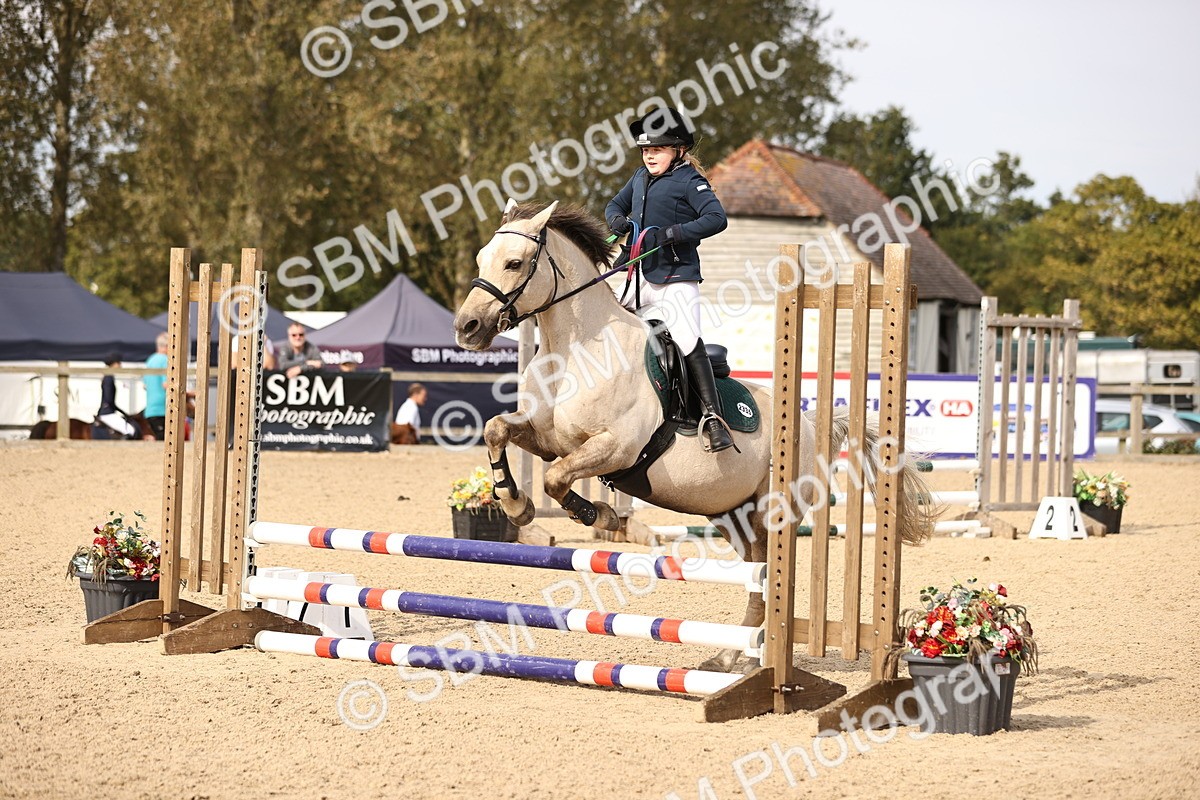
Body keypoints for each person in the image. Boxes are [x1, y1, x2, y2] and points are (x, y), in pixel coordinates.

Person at [604, 106, 733, 452]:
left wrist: (676, 232)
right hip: (637, 274)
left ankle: (713, 418)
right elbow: (614, 205)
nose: (649, 156)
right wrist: (616, 220)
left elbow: (716, 218)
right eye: (646, 150)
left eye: (657, 150)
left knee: (687, 339)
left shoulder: (690, 181)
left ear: (678, 149)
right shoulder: (639, 178)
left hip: (675, 278)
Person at [97, 352, 137, 439]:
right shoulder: (109, 378)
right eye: (118, 363)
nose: (120, 365)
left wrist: (123, 412)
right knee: (130, 430)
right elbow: (109, 399)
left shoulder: (108, 376)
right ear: (114, 364)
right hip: (107, 413)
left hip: (108, 412)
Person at [143, 333, 169, 440]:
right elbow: (166, 385)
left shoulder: (150, 360)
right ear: (167, 346)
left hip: (150, 410)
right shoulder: (165, 360)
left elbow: (145, 385)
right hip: (162, 409)